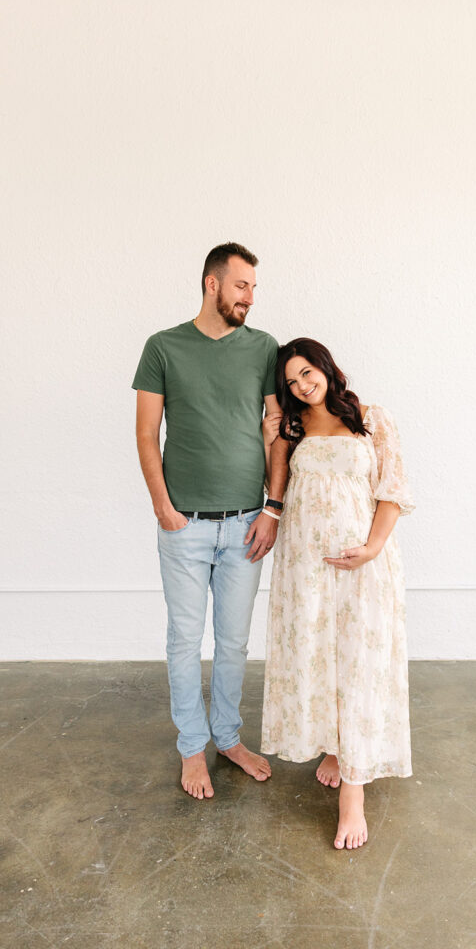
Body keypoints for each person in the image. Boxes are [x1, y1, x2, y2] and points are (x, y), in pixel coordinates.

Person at [132, 243, 283, 800]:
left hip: (246, 524)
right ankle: (192, 747)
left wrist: (272, 508)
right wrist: (162, 507)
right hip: (185, 525)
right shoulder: (163, 347)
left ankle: (228, 738)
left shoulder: (263, 348)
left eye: (254, 288)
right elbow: (146, 433)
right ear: (211, 284)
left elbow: (276, 430)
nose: (250, 297)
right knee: (184, 640)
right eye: (241, 286)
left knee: (235, 643)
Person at [261, 337, 415, 850]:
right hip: (305, 568)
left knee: (358, 663)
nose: (303, 385)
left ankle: (354, 794)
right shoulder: (293, 428)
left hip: (362, 566)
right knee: (320, 658)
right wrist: (269, 438)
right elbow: (278, 487)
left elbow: (392, 490)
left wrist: (371, 549)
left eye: (308, 372)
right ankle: (333, 745)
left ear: (326, 367)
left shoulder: (371, 418)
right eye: (292, 381)